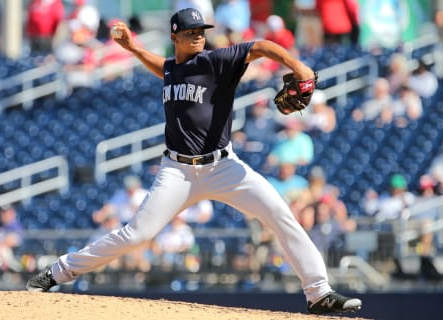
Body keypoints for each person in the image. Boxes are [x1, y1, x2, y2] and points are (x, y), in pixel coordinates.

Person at [26, 8, 362, 315]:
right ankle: (58, 271)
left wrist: (299, 67)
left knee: (279, 214)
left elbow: (259, 45)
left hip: (224, 168)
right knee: (137, 235)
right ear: (175, 37)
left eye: (201, 30)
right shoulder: (173, 68)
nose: (198, 35)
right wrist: (132, 49)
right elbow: (163, 68)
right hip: (177, 171)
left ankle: (318, 292)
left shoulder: (217, 61)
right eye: (190, 32)